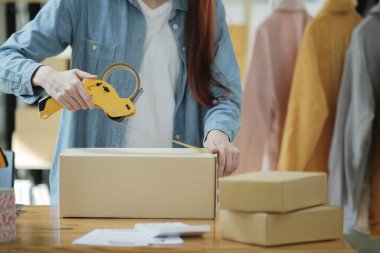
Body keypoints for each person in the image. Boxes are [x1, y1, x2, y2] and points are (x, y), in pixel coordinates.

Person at [0, 0, 242, 205]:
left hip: (175, 195)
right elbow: (5, 60)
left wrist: (218, 133)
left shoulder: (206, 8)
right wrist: (47, 77)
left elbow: (225, 95)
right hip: (90, 195)